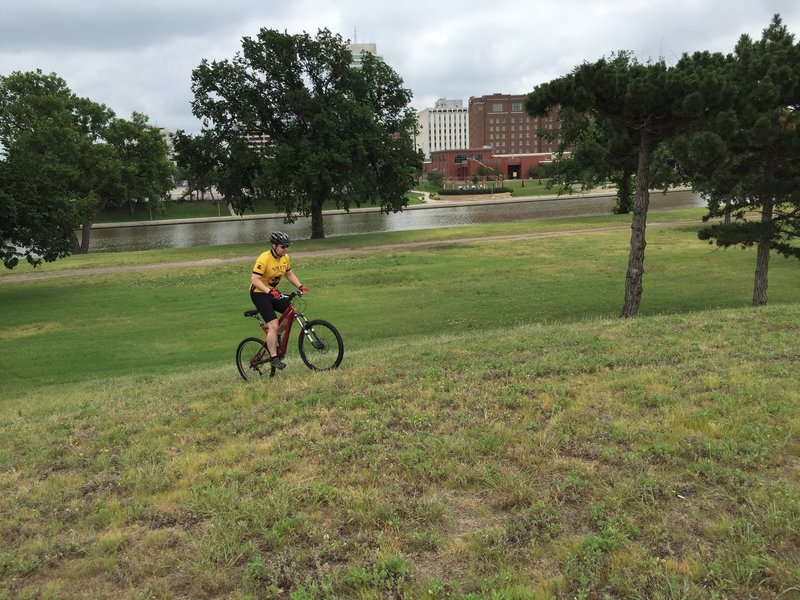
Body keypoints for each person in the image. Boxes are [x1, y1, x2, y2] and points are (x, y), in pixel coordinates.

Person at [249, 231, 308, 370]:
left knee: (292, 314)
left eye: (287, 246)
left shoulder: (285, 258)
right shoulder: (264, 258)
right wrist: (269, 291)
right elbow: (254, 280)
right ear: (274, 246)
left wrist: (300, 286)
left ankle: (274, 338)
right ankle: (274, 357)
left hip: (273, 293)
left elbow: (288, 273)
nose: (286, 249)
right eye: (283, 247)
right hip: (259, 293)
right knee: (273, 325)